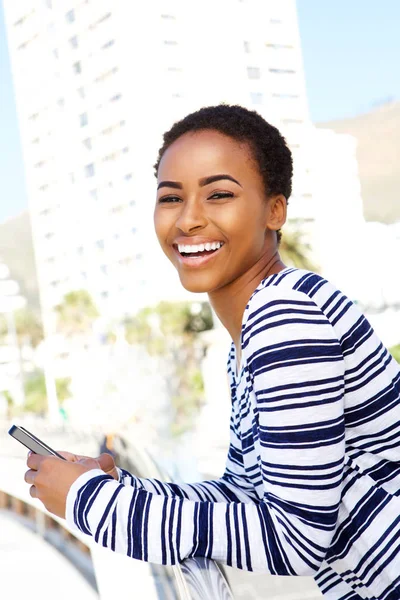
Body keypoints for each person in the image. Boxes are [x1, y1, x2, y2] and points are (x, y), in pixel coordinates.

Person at [24, 105, 400, 599]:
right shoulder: (250, 336)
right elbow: (244, 497)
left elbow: (297, 535)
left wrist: (88, 503)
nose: (189, 219)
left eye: (219, 194)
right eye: (171, 197)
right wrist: (123, 489)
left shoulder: (287, 318)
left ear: (275, 210)